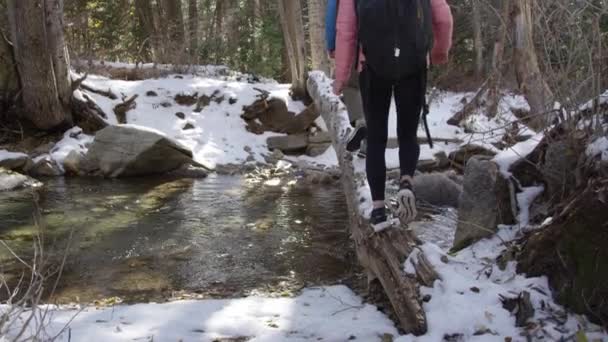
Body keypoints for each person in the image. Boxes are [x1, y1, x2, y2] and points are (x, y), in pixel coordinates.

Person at [333, 0, 453, 231]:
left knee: (376, 140)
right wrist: (438, 53)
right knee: (407, 134)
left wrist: (341, 78)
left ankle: (378, 210)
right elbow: (443, 19)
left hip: (371, 66)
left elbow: (345, 31)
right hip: (414, 66)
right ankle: (406, 181)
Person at [326, 0, 368, 158]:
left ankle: (360, 122)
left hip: (355, 48)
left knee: (351, 86)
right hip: (385, 49)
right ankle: (369, 145)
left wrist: (331, 45)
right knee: (375, 95)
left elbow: (332, 18)